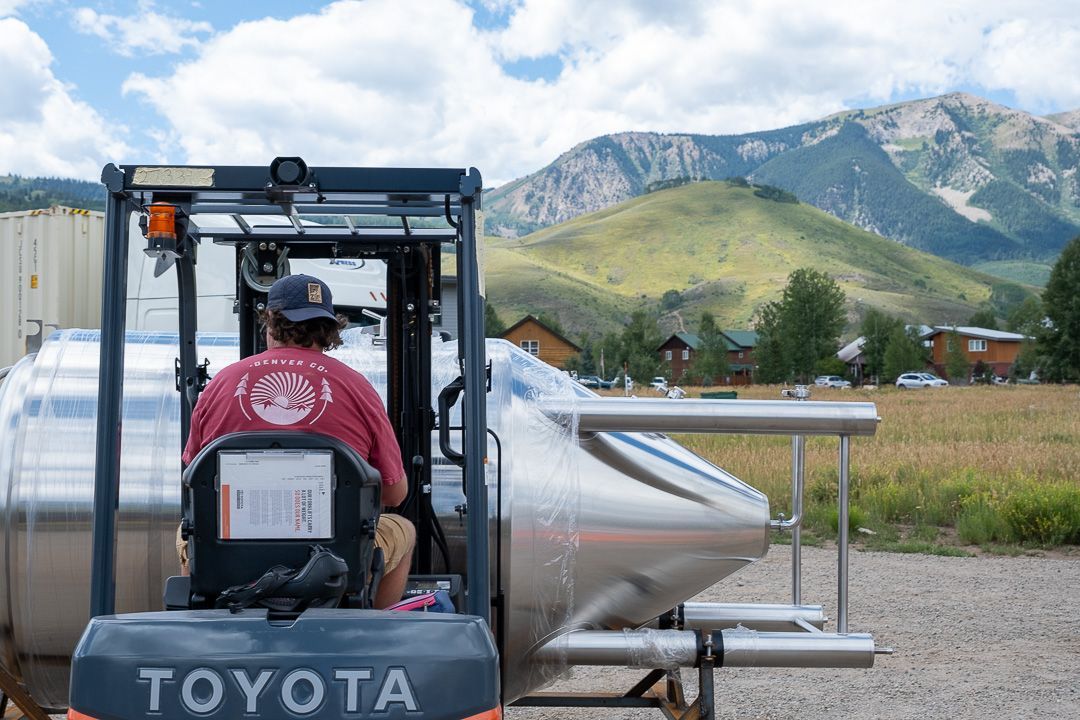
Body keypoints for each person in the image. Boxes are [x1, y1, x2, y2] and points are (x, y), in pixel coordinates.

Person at [178, 273, 415, 609]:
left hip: (229, 552)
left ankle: (201, 620)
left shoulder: (223, 383)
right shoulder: (357, 388)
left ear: (270, 322)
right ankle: (373, 631)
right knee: (404, 528)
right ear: (330, 330)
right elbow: (394, 493)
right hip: (332, 558)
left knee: (188, 531)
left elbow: (193, 479)